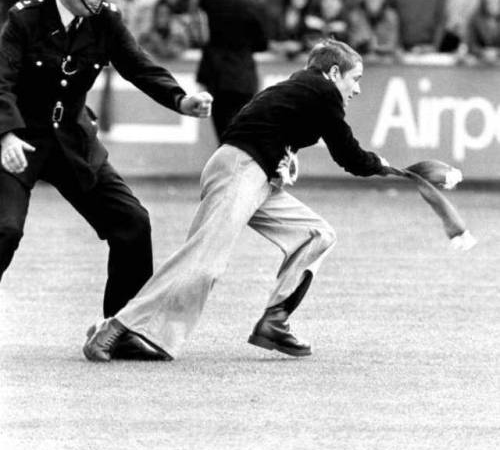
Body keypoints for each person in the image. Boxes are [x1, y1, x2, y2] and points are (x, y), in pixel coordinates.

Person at [83, 37, 388, 363]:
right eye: (355, 79)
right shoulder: (323, 91)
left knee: (316, 233)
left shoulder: (299, 88)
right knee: (203, 262)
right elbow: (348, 154)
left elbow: (258, 126)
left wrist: (283, 156)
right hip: (242, 171)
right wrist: (380, 165)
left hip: (251, 174)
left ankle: (275, 320)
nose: (356, 90)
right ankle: (116, 326)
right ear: (334, 72)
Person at [0, 0, 212, 360]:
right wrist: (5, 135)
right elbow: (0, 82)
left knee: (133, 223)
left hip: (73, 141)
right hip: (19, 141)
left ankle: (123, 329)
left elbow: (137, 64)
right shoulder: (24, 19)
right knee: (4, 229)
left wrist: (180, 99)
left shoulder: (105, 21)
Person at [196, 0, 270, 141]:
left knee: (224, 136)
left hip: (215, 74)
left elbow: (202, 36)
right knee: (242, 136)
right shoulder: (253, 2)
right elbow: (262, 43)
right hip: (242, 74)